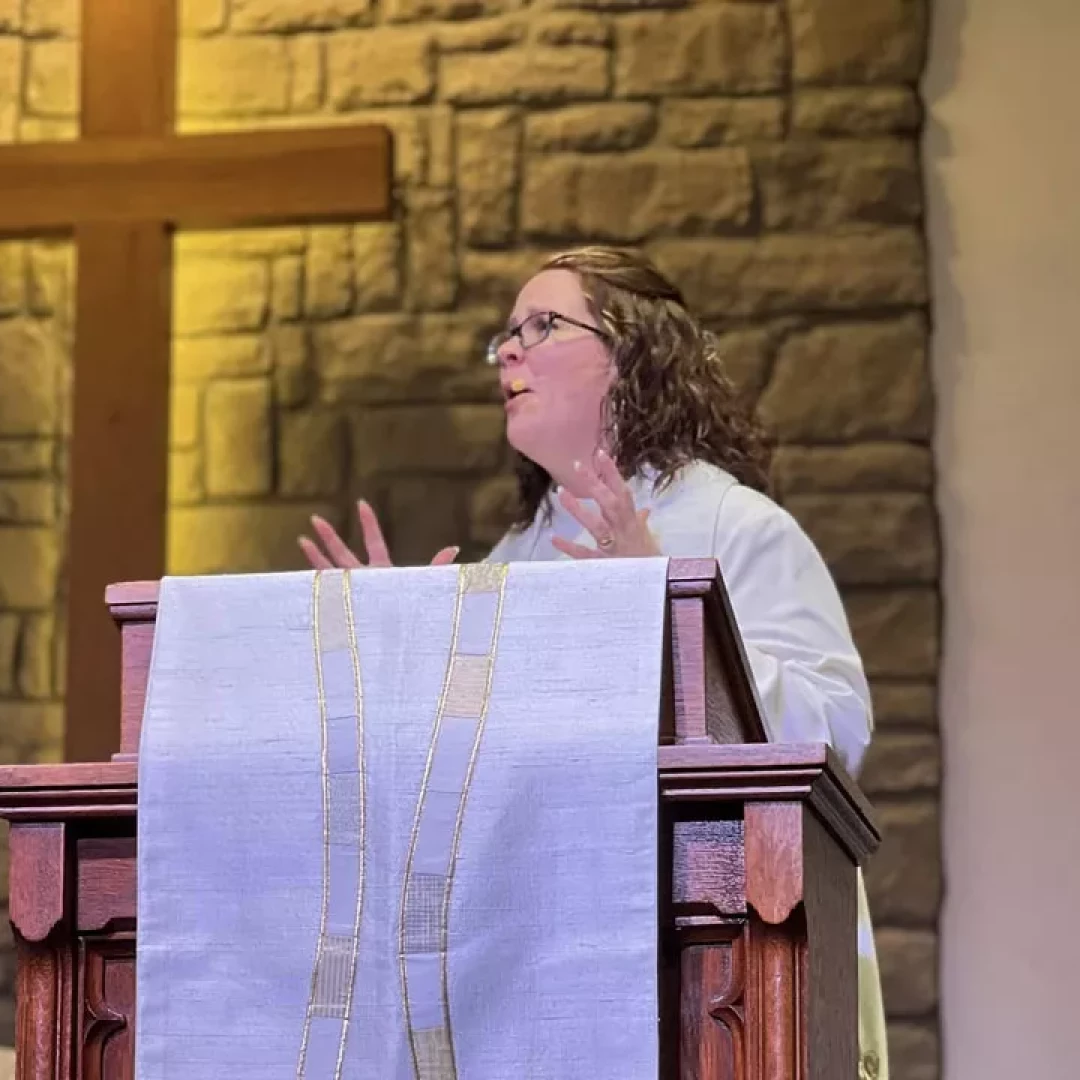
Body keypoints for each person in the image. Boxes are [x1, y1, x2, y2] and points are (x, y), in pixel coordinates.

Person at [299, 245, 889, 1079]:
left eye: (544, 325)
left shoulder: (734, 527)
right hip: (529, 952)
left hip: (704, 971)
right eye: (506, 333)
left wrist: (670, 610)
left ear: (635, 354)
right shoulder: (507, 561)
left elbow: (837, 730)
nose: (509, 350)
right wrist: (403, 647)